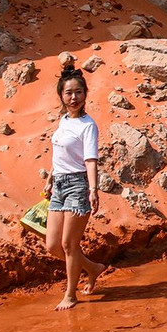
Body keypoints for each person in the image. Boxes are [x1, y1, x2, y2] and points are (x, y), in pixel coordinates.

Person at [42, 56, 106, 311]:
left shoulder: (87, 126)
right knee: (52, 246)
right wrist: (49, 180)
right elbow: (58, 154)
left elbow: (90, 159)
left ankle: (70, 294)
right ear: (61, 96)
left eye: (79, 92)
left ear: (85, 95)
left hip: (79, 185)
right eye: (69, 93)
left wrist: (93, 189)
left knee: (69, 244)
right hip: (58, 185)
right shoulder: (64, 121)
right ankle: (92, 268)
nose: (74, 97)